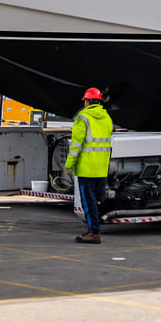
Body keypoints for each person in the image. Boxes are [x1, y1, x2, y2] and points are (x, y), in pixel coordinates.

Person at [65, 87, 113, 244]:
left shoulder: (83, 117)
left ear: (87, 102)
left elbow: (76, 145)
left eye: (84, 100)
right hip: (101, 167)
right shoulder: (106, 118)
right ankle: (92, 228)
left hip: (86, 168)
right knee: (96, 201)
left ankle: (94, 232)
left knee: (88, 201)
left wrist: (69, 165)